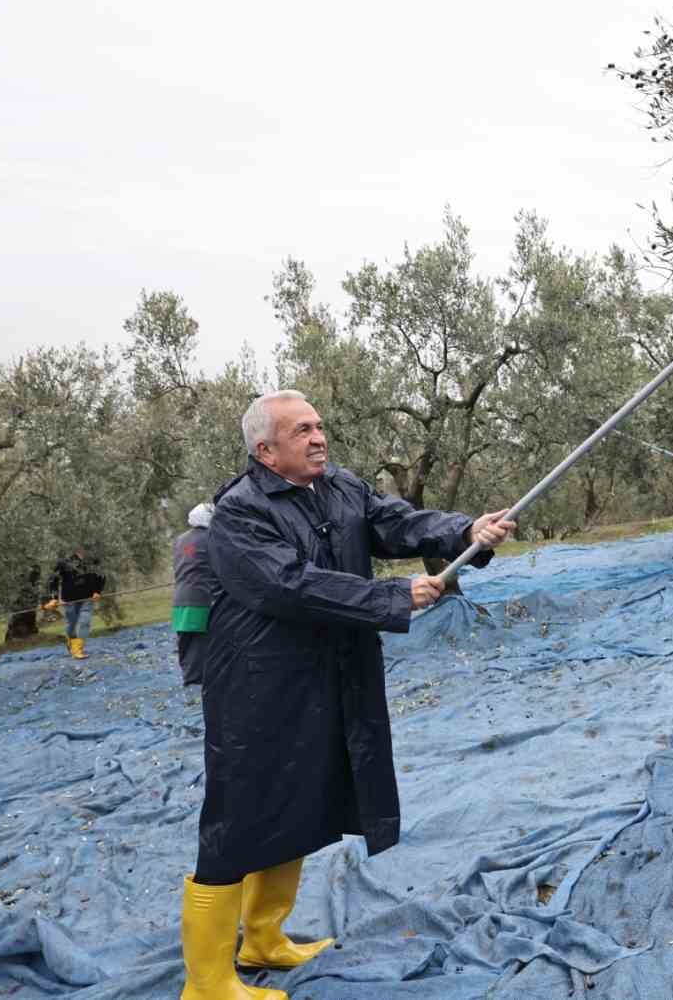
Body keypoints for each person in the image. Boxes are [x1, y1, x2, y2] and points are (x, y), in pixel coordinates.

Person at [179, 390, 514, 1000]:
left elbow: (396, 522)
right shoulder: (241, 512)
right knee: (236, 821)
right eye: (301, 430)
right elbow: (290, 585)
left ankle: (263, 939)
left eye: (319, 425)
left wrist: (465, 529)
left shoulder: (340, 486)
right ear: (266, 450)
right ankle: (206, 983)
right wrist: (391, 597)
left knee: (302, 803)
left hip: (326, 675)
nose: (318, 437)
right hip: (257, 689)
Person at [171, 503, 217, 686]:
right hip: (202, 597)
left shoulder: (180, 540)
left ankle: (188, 676)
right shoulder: (210, 538)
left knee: (186, 640)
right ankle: (197, 679)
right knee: (201, 640)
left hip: (180, 597)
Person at [44, 547, 105, 660]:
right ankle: (71, 641)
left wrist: (98, 591)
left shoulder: (94, 560)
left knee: (85, 622)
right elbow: (53, 580)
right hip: (70, 599)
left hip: (88, 598)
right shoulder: (64, 562)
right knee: (71, 625)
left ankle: (78, 649)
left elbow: (102, 575)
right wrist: (53, 598)